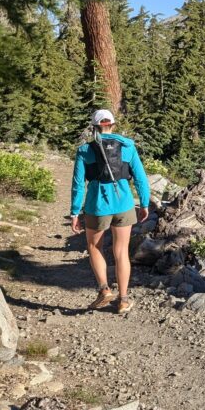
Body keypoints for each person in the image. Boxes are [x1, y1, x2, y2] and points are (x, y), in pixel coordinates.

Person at [70, 109, 151, 313]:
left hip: (97, 206)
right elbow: (141, 178)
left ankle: (105, 289)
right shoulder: (128, 146)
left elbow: (78, 184)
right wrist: (144, 203)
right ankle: (123, 299)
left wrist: (74, 212)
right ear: (113, 125)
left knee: (95, 246)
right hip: (124, 204)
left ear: (94, 127)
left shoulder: (84, 151)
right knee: (121, 251)